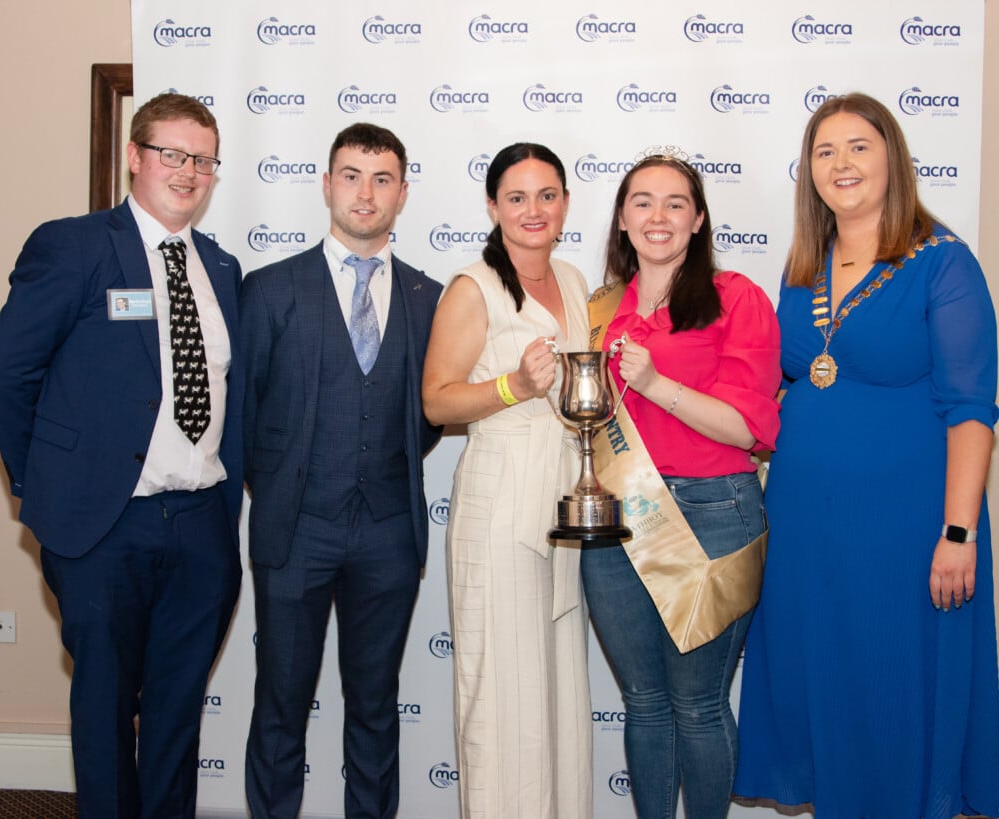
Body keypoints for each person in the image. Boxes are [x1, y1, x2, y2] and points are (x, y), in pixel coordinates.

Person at [735, 93, 999, 818]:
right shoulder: (802, 266)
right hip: (807, 529)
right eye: (824, 151)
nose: (840, 164)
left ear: (893, 158)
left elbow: (973, 409)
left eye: (858, 146)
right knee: (828, 693)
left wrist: (959, 532)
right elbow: (791, 382)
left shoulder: (942, 262)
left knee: (893, 692)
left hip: (905, 525)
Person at [0, 93, 243, 818]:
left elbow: (230, 393)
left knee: (175, 712)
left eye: (203, 159)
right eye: (172, 154)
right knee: (102, 709)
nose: (189, 171)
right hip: (102, 527)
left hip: (201, 527)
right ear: (135, 156)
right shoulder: (74, 246)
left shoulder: (221, 269)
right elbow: (6, 374)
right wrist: (42, 488)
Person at [241, 122, 442, 819]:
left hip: (388, 535)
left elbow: (429, 415)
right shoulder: (267, 290)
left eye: (382, 178)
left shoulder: (428, 296)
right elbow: (245, 419)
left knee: (376, 704)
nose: (366, 192)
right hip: (294, 532)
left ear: (403, 193)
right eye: (352, 175)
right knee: (280, 705)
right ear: (327, 185)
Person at [578, 151, 780, 819]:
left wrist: (657, 383)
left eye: (674, 203)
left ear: (697, 220)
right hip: (617, 515)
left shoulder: (736, 297)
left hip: (712, 511)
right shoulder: (599, 308)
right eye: (642, 201)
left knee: (696, 702)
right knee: (644, 698)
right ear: (622, 218)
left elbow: (750, 427)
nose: (657, 215)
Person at [422, 143, 593, 818]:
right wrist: (513, 384)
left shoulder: (576, 281)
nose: (533, 210)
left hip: (562, 508)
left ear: (565, 204)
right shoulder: (474, 287)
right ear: (492, 207)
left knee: (556, 696)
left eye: (547, 195)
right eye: (516, 197)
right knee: (502, 699)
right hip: (498, 510)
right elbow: (437, 400)